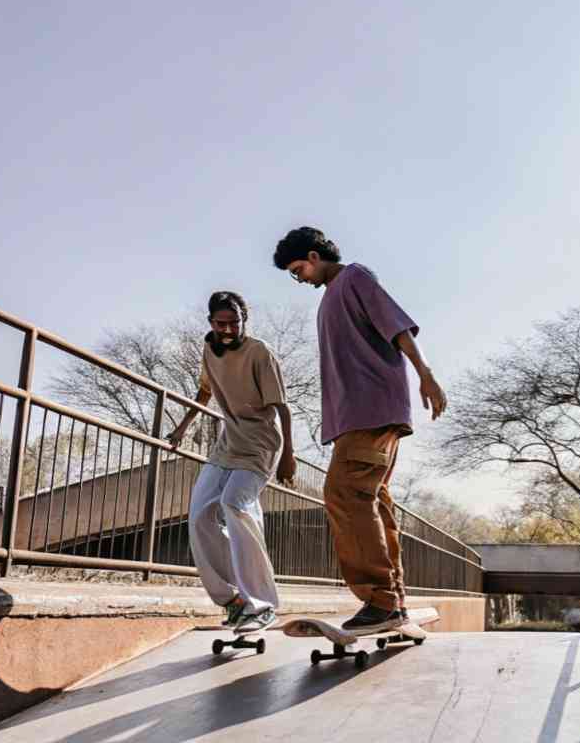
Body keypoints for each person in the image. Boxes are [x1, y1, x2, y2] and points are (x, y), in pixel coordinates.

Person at [273, 227, 447, 634]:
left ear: (314, 256)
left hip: (370, 412)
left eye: (298, 270)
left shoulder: (354, 278)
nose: (299, 279)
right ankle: (393, 600)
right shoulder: (331, 296)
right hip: (358, 416)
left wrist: (426, 374)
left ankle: (380, 600)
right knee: (372, 500)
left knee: (344, 494)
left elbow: (398, 327)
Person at [166, 291, 295, 633]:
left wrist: (289, 456)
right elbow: (205, 391)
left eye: (234, 323)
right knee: (199, 516)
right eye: (220, 323)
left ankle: (262, 603)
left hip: (260, 445)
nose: (227, 330)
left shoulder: (259, 352)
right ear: (210, 322)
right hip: (228, 444)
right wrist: (182, 427)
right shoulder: (209, 348)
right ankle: (232, 599)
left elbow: (281, 407)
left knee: (234, 504)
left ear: (243, 321)